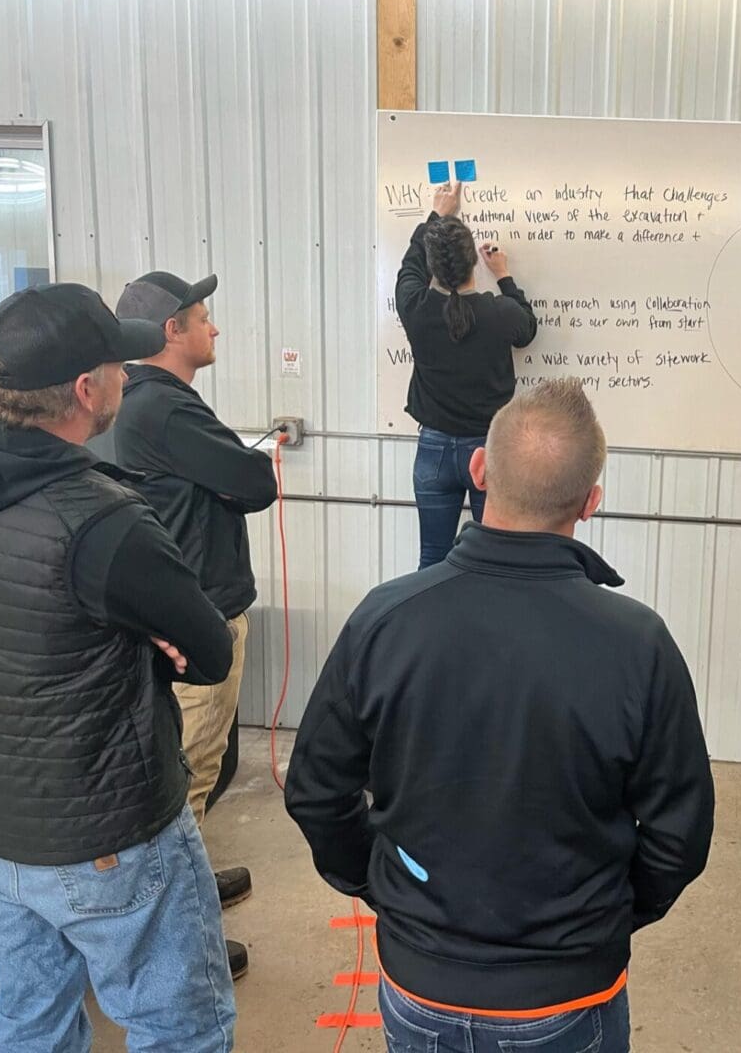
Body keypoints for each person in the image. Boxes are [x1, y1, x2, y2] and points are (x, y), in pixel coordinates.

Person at [285, 379, 714, 1053]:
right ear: (591, 502)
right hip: (570, 992)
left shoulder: (386, 619)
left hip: (421, 982)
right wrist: (602, 920)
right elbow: (678, 835)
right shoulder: (639, 643)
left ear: (478, 471)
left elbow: (315, 789)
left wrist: (383, 885)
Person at [0, 283, 236, 1052]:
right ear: (87, 390)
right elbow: (208, 650)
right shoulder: (99, 522)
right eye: (120, 362)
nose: (129, 372)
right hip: (109, 835)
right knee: (178, 1027)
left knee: (30, 1019)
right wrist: (146, 641)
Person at [110, 270, 278, 979]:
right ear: (169, 331)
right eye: (203, 318)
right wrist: (246, 463)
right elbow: (253, 482)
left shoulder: (145, 401)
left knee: (200, 764)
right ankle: (181, 948)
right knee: (192, 771)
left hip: (189, 604)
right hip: (200, 609)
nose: (215, 329)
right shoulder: (163, 410)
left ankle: (190, 884)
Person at [397, 181, 538, 567]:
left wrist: (437, 216)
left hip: (434, 451)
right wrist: (505, 275)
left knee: (432, 560)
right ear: (474, 262)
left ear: (433, 266)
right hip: (489, 449)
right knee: (493, 560)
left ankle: (434, 630)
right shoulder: (500, 313)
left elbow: (410, 266)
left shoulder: (415, 306)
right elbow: (527, 330)